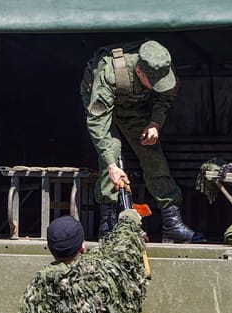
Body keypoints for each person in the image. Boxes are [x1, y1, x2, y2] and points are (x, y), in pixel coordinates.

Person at [80, 40, 204, 243]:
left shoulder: (162, 66)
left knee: (152, 153)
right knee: (111, 150)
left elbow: (165, 97)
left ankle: (171, 222)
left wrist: (155, 123)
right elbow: (98, 121)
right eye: (153, 82)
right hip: (100, 102)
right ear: (139, 71)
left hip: (133, 105)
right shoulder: (109, 72)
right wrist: (111, 164)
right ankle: (108, 223)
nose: (159, 86)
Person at [8, 209, 148, 313]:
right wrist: (128, 219)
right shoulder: (103, 272)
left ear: (51, 249)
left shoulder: (39, 286)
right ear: (82, 246)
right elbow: (122, 247)